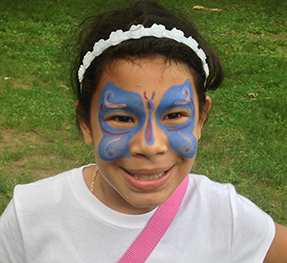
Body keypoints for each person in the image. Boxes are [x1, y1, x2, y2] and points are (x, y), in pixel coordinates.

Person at [0, 1, 286, 262]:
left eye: (174, 115)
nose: (150, 145)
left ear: (201, 119)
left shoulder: (225, 215)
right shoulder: (31, 215)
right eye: (122, 118)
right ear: (85, 123)